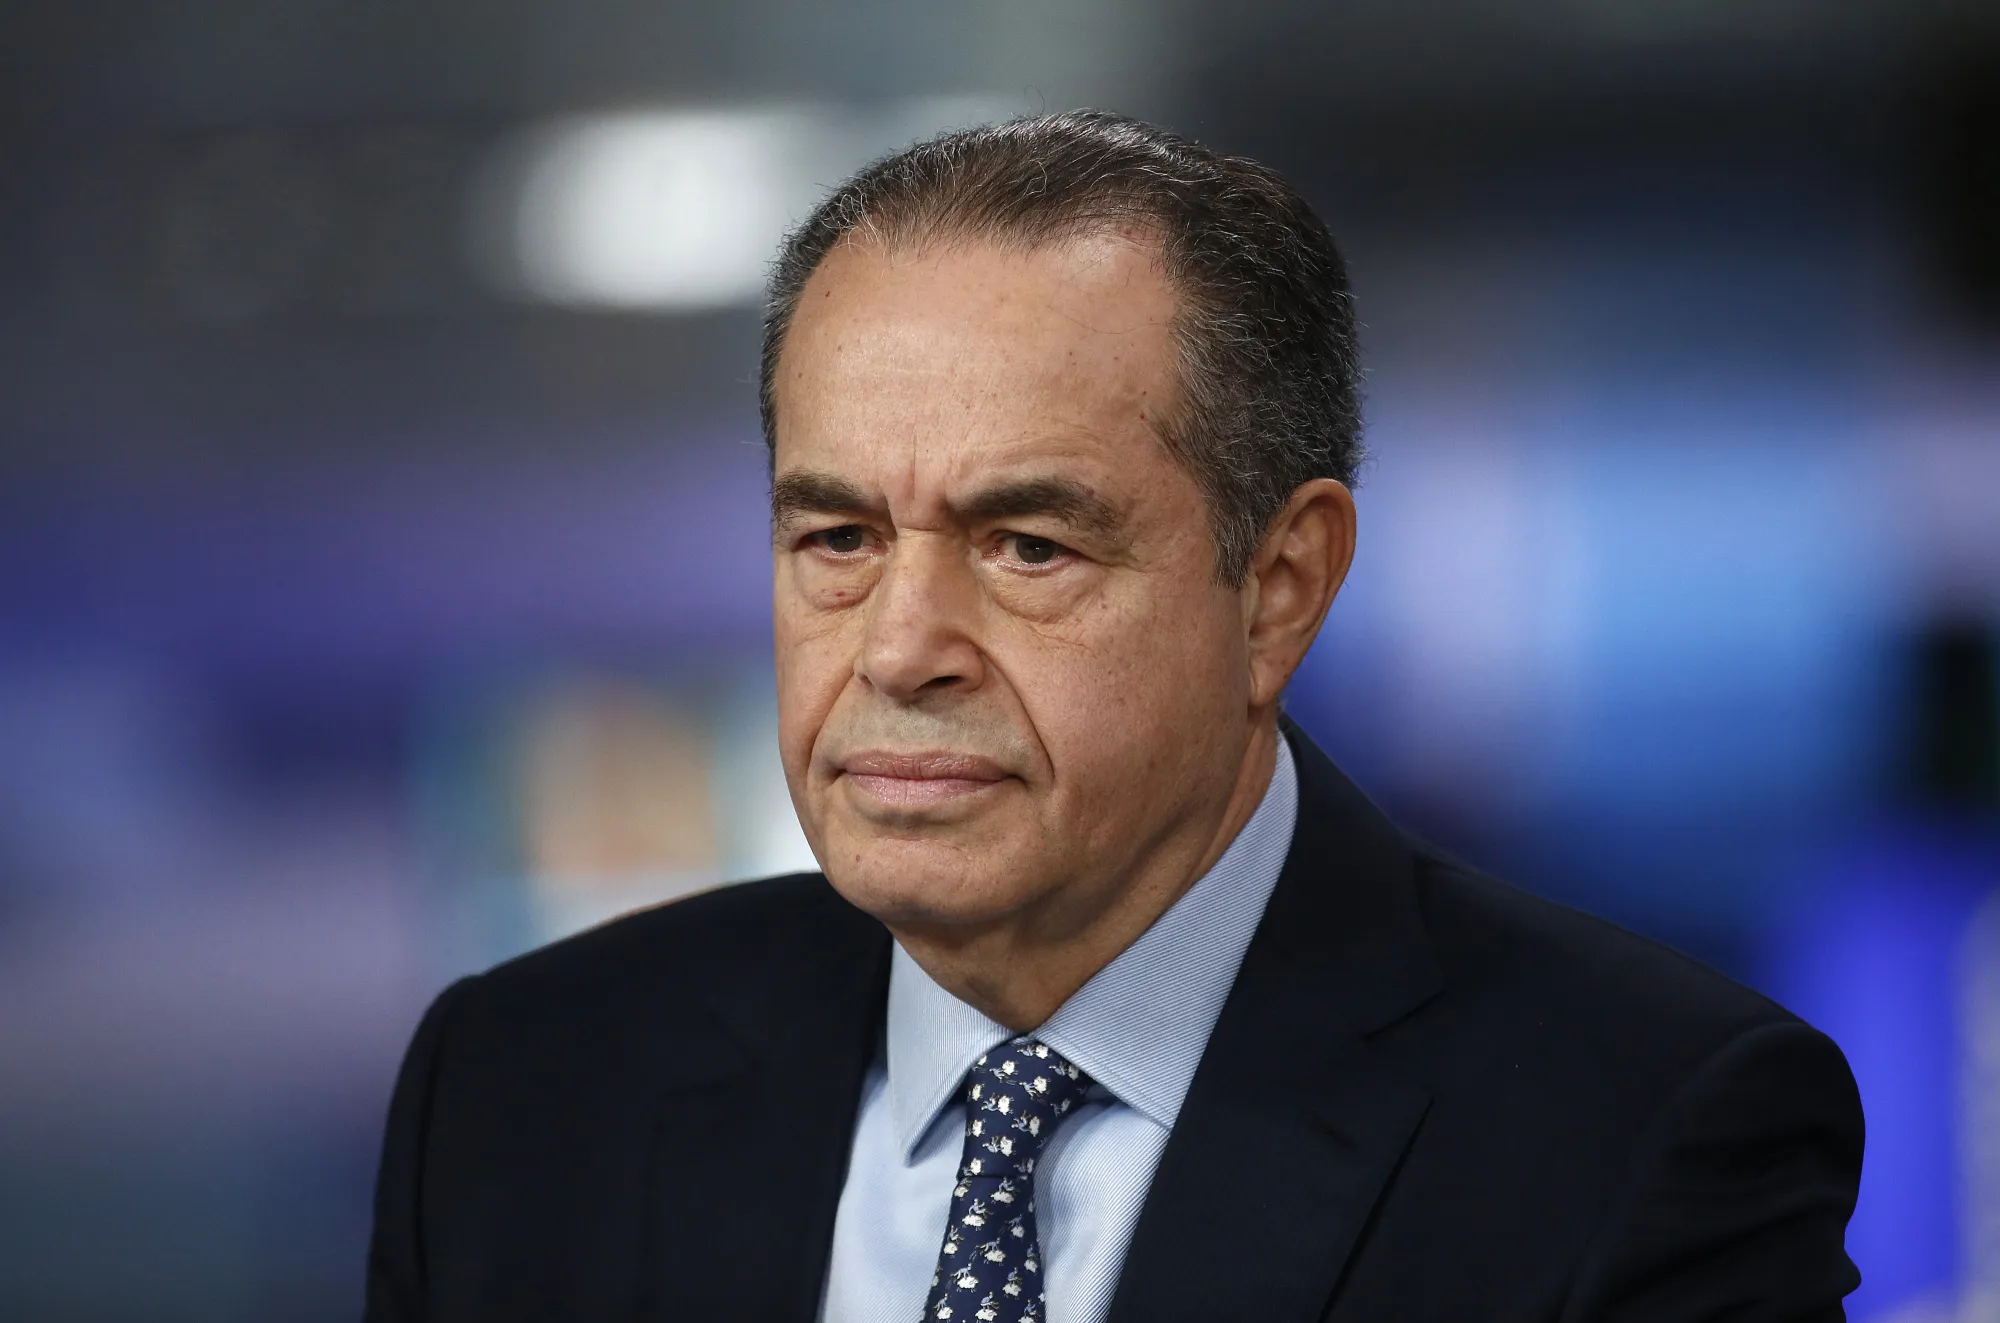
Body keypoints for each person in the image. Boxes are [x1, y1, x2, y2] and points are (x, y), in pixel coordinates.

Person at [362, 111, 1863, 1323]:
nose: (900, 650)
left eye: (1029, 547)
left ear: (1278, 589)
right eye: (838, 538)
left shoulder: (1642, 1133)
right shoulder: (518, 1092)